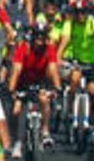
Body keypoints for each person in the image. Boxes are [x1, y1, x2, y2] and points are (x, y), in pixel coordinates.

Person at [8, 22, 61, 150]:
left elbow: (53, 69)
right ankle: (16, 140)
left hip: (40, 82)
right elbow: (16, 70)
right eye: (37, 36)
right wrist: (12, 90)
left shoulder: (50, 50)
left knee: (44, 100)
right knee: (16, 110)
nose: (40, 40)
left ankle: (45, 131)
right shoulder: (24, 48)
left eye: (42, 37)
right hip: (23, 83)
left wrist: (57, 87)